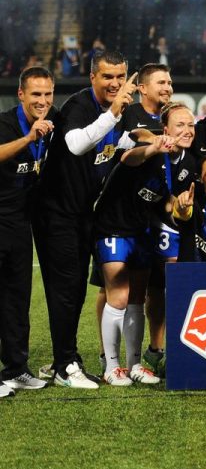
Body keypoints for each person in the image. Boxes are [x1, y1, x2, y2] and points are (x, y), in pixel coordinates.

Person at [33, 50, 136, 388]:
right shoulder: (80, 106)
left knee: (74, 291)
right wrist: (115, 111)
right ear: (92, 77)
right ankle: (65, 365)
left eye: (120, 77)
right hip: (56, 215)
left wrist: (144, 139)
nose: (115, 83)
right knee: (65, 290)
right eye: (107, 76)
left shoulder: (115, 112)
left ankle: (67, 358)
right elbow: (77, 144)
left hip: (81, 216)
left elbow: (117, 144)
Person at [92, 102, 197, 385]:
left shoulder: (186, 162)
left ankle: (134, 364)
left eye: (191, 125)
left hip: (141, 231)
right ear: (165, 130)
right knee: (120, 295)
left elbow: (165, 202)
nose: (187, 130)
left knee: (138, 299)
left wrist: (180, 206)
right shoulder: (150, 147)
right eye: (180, 125)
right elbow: (129, 158)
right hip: (112, 227)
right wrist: (154, 147)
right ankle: (111, 366)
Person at [0, 67, 56, 396]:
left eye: (48, 94)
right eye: (36, 94)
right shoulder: (6, 123)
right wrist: (28, 138)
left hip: (20, 223)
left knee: (17, 300)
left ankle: (16, 369)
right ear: (21, 94)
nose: (43, 101)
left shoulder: (52, 124)